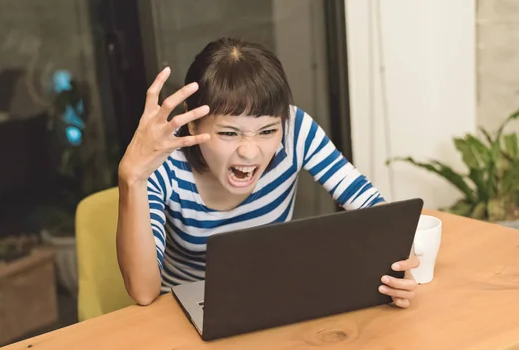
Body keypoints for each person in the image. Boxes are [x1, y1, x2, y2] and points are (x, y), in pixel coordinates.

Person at [116, 37, 419, 307]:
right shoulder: (165, 163)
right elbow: (143, 292)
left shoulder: (294, 129)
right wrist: (131, 177)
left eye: (267, 131)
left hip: (272, 300)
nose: (250, 151)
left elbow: (371, 207)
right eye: (229, 134)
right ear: (192, 125)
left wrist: (397, 265)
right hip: (185, 313)